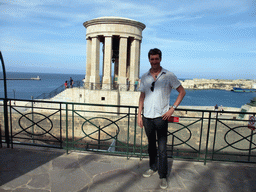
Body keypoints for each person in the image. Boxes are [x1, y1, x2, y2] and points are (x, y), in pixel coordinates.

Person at [138, 48, 186, 189]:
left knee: (163, 148)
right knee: (151, 145)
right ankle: (153, 167)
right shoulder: (145, 76)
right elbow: (142, 97)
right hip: (147, 117)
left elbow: (182, 92)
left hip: (161, 117)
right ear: (149, 60)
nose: (154, 61)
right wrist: (139, 115)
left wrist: (173, 109)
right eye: (152, 59)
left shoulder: (168, 75)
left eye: (156, 59)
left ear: (160, 59)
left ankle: (163, 175)